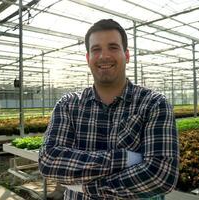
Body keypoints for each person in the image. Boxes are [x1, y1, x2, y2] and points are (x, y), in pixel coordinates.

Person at [39, 19, 179, 200]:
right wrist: (127, 159)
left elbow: (161, 176)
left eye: (113, 47)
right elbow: (48, 162)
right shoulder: (68, 105)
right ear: (88, 57)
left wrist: (86, 188)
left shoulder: (153, 104)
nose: (104, 56)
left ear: (126, 55)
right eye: (96, 49)